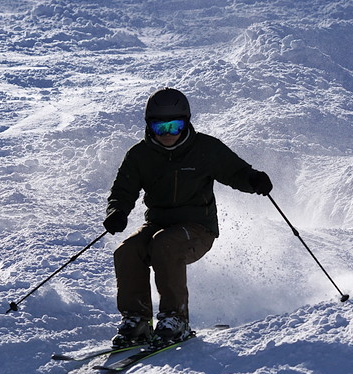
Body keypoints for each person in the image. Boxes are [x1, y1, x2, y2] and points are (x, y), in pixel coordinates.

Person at [103, 87, 272, 348]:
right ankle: (137, 320)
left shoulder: (205, 148)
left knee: (165, 244)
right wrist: (117, 212)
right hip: (158, 224)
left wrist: (253, 180)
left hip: (198, 228)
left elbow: (236, 172)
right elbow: (122, 191)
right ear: (149, 126)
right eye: (161, 128)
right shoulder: (140, 155)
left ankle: (175, 319)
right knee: (127, 250)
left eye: (176, 126)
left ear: (187, 122)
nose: (169, 134)